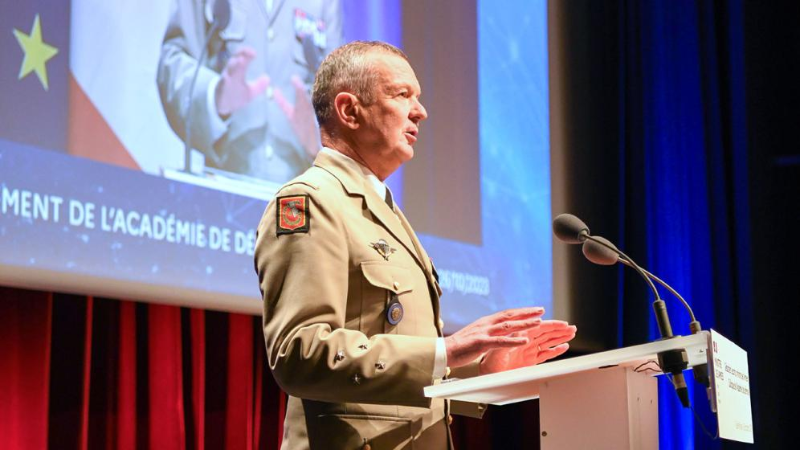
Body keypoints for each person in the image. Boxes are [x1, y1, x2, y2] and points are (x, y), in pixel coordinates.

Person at [254, 41, 577, 449]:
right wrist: (448, 350)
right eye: (402, 94)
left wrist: (482, 369)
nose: (420, 111)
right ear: (349, 110)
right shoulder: (311, 202)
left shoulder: (383, 209)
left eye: (418, 97)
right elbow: (300, 355)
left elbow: (401, 373)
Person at [157, 0, 342, 183]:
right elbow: (173, 64)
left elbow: (340, 94)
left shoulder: (327, 4)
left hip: (298, 199)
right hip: (223, 194)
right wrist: (215, 97)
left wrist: (319, 136)